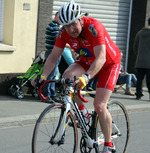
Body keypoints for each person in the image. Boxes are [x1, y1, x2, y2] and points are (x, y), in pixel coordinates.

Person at [32, 1, 121, 152]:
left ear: (80, 19)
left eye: (73, 24)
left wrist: (86, 77)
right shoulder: (63, 33)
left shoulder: (94, 27)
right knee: (67, 76)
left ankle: (108, 145)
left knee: (99, 106)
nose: (71, 29)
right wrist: (43, 75)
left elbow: (101, 58)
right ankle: (83, 113)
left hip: (108, 64)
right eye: (66, 26)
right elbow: (53, 57)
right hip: (86, 61)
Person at [42, 11, 61, 102]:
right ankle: (46, 95)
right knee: (50, 75)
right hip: (52, 52)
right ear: (56, 17)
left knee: (53, 75)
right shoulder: (54, 25)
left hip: (54, 52)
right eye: (60, 17)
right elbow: (57, 39)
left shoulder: (56, 25)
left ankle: (52, 94)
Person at [134, 17, 150, 100]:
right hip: (149, 62)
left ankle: (138, 94)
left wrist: (138, 55)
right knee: (149, 80)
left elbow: (135, 46)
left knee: (139, 79)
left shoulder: (139, 33)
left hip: (139, 61)